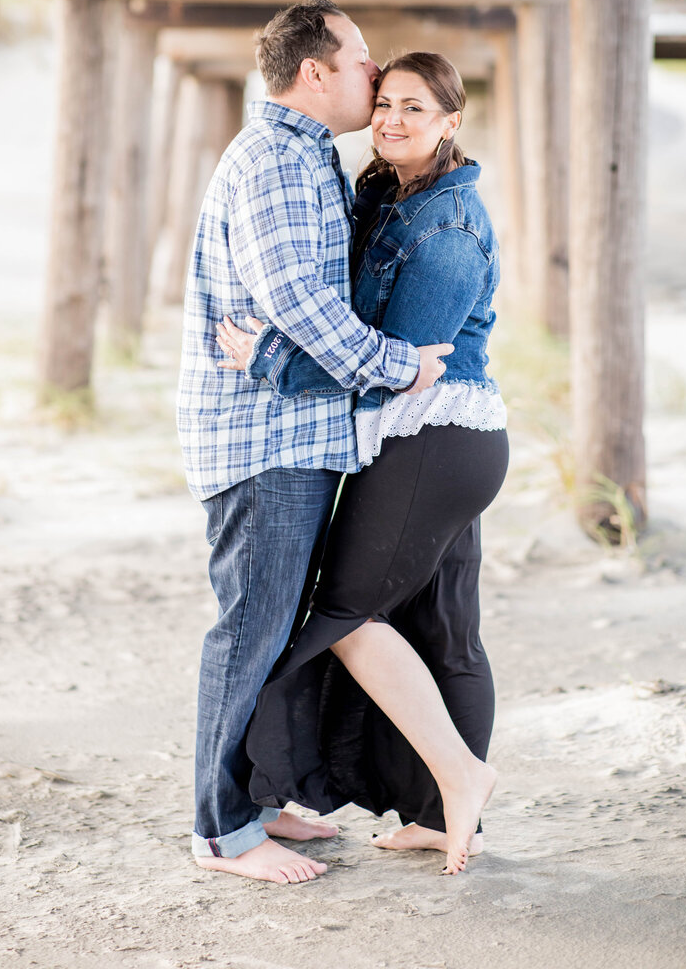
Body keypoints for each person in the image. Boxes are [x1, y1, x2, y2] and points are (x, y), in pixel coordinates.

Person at [176, 0, 451, 885]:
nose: (374, 71)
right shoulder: (277, 160)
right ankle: (222, 833)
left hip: (289, 434)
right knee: (249, 631)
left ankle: (253, 802)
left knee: (272, 626)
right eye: (361, 57)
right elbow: (297, 298)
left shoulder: (304, 155)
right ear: (315, 72)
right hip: (263, 441)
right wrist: (397, 366)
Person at [216, 51, 509, 875]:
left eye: (416, 108)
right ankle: (441, 818)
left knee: (345, 616)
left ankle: (460, 775)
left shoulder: (449, 228)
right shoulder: (384, 192)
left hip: (434, 437)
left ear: (451, 122)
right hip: (442, 441)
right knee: (447, 629)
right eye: (385, 103)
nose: (392, 120)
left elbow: (397, 366)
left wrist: (271, 361)